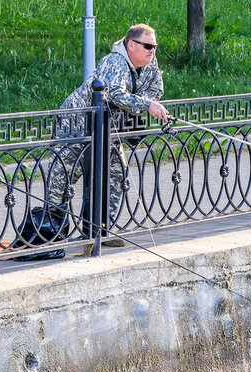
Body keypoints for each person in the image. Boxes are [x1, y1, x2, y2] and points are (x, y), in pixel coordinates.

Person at [45, 24, 169, 249]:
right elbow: (115, 93)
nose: (152, 51)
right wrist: (144, 104)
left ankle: (100, 230)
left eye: (155, 47)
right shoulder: (114, 62)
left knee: (116, 175)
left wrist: (143, 101)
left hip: (107, 129)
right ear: (132, 45)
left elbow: (156, 89)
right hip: (77, 126)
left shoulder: (150, 63)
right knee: (62, 177)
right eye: (148, 46)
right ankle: (49, 230)